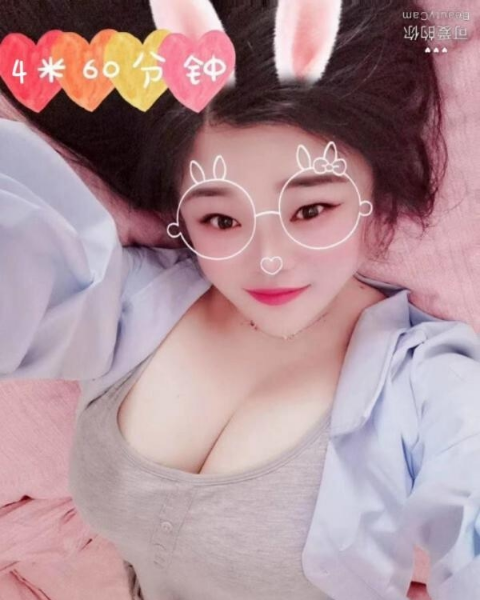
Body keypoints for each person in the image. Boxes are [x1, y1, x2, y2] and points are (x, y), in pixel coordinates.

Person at [1, 1, 479, 599]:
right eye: (222, 219)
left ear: (376, 193)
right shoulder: (136, 302)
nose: (269, 258)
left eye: (311, 209)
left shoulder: (427, 386)